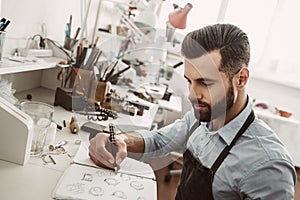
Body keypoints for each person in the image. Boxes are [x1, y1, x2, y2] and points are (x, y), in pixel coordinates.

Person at [89, 23, 296, 199]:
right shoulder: (203, 118)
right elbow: (159, 140)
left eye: (205, 83)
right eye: (189, 81)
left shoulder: (268, 166)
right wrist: (119, 139)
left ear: (240, 79)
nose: (191, 95)